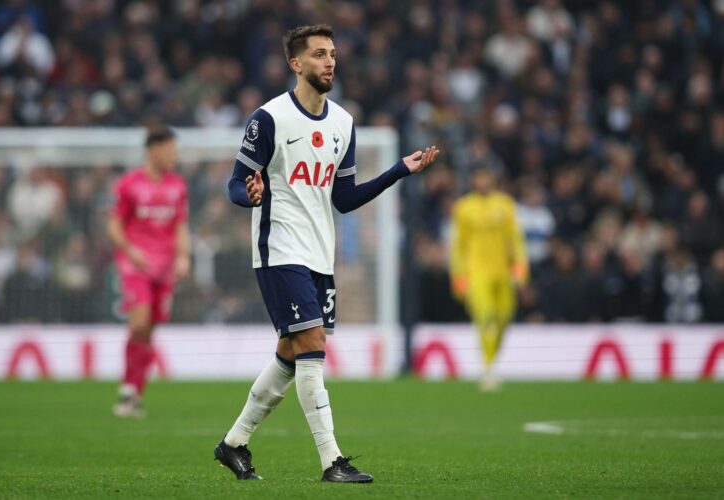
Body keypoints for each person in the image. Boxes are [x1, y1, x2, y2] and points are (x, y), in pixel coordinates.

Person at [216, 24, 439, 483]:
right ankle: (332, 461)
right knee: (313, 348)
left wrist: (398, 170)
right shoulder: (269, 118)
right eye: (319, 54)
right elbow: (236, 182)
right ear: (296, 64)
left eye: (332, 53)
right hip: (279, 250)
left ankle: (233, 444)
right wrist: (251, 196)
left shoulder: (343, 123)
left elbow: (344, 199)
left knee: (289, 355)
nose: (330, 61)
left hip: (320, 254)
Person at [107, 126, 190, 417]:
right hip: (136, 265)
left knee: (150, 328)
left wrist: (183, 256)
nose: (173, 156)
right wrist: (130, 251)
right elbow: (114, 223)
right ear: (153, 150)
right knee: (139, 323)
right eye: (170, 150)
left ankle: (132, 393)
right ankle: (129, 388)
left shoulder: (177, 185)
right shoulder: (129, 184)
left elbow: (179, 225)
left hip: (165, 267)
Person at [450, 165, 528, 391]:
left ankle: (490, 364)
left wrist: (520, 268)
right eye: (479, 176)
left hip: (502, 272)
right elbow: (458, 246)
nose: (482, 181)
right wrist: (459, 276)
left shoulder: (505, 204)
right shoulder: (464, 207)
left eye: (486, 176)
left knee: (504, 318)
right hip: (476, 273)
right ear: (474, 180)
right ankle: (488, 369)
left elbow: (516, 239)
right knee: (485, 318)